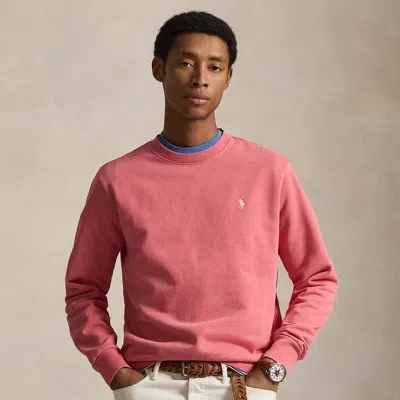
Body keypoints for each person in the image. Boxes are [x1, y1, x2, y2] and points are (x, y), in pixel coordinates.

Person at [64, 10, 338, 400]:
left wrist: (276, 365)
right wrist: (116, 371)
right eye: (186, 63)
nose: (200, 79)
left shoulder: (269, 171)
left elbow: (317, 278)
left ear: (229, 77)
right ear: (159, 68)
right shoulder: (117, 180)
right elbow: (83, 290)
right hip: (150, 385)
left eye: (214, 67)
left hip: (243, 384)